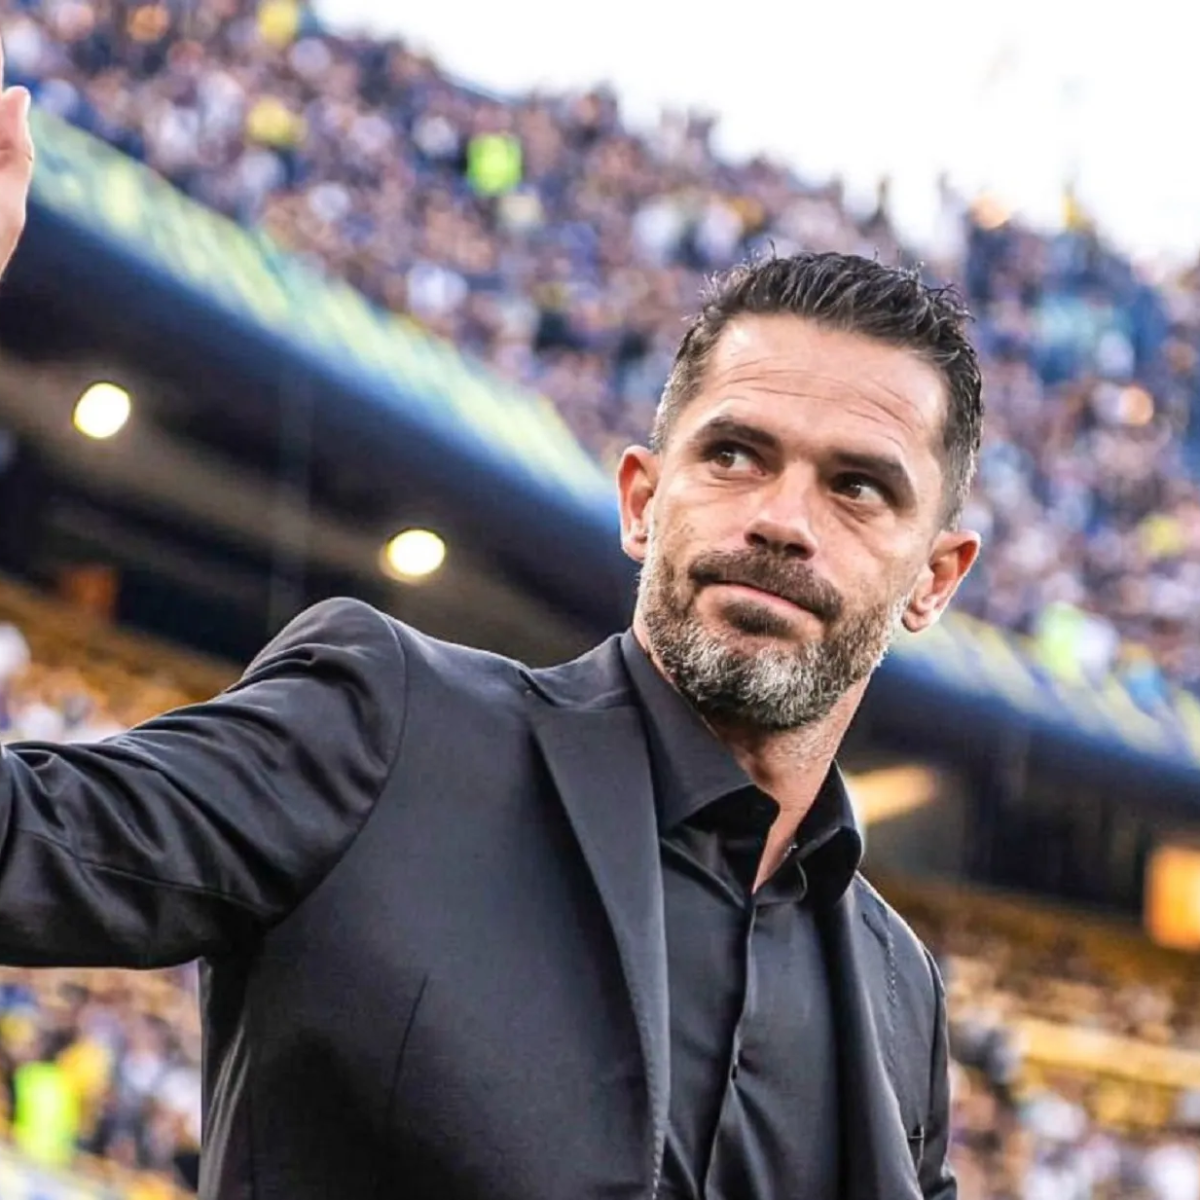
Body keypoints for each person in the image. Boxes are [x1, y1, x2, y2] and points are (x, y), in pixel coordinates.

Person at [0, 55, 981, 1200]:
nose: (782, 520)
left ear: (935, 580)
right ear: (641, 500)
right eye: (733, 453)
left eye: (858, 487)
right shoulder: (385, 729)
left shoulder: (902, 994)